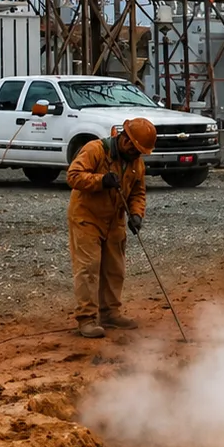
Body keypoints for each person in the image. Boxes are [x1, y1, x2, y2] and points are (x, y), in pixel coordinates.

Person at [65, 117, 157, 338]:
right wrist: (101, 181)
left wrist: (136, 214)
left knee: (115, 269)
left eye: (140, 152)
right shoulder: (95, 150)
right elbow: (73, 176)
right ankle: (87, 318)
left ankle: (110, 313)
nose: (136, 154)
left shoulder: (136, 163)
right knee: (88, 268)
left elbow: (138, 192)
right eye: (135, 149)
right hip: (87, 217)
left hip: (115, 219)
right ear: (125, 139)